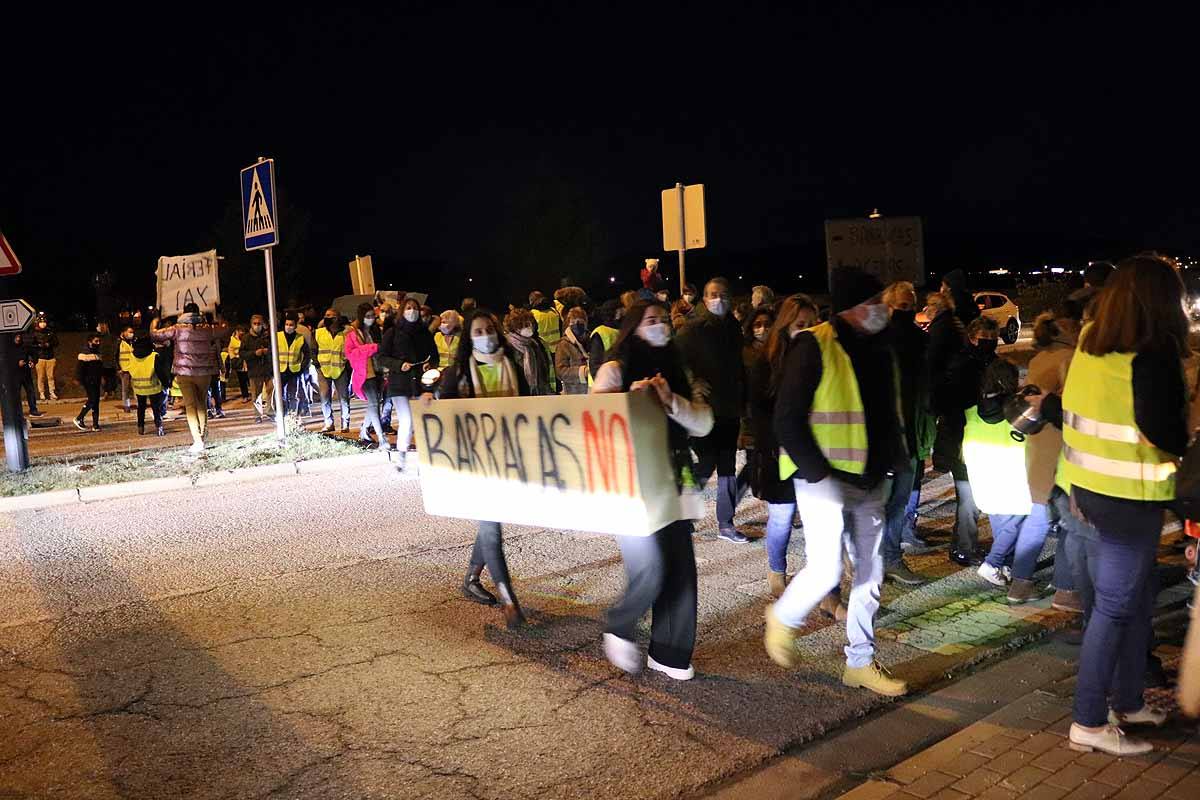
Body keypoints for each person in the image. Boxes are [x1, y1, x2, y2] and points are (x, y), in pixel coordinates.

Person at [1055, 254, 1187, 756]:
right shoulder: (1152, 354)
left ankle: (1129, 702)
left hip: (1088, 491)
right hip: (1131, 498)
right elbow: (1165, 432)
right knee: (1114, 608)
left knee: (1129, 603)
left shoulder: (1090, 345)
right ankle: (1088, 722)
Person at [765, 267, 908, 698]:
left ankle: (860, 664)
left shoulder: (881, 348)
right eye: (878, 302)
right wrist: (819, 475)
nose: (885, 309)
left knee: (870, 575)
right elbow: (786, 420)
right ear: (856, 308)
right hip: (823, 478)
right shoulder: (813, 344)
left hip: (870, 480)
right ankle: (784, 619)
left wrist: (894, 463)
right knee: (826, 568)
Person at [593, 300, 714, 680]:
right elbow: (594, 418)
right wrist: (631, 398)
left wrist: (670, 401)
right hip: (629, 481)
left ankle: (671, 654)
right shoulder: (615, 367)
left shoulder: (680, 369)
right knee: (650, 567)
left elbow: (704, 423)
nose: (660, 325)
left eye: (664, 319)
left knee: (681, 568)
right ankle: (619, 624)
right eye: (650, 320)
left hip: (674, 477)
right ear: (633, 327)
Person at [426, 308, 531, 628]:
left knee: (492, 522)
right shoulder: (458, 373)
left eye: (489, 329)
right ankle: (509, 599)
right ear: (469, 338)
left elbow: (528, 407)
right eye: (478, 331)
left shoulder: (511, 365)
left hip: (508, 459)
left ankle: (471, 579)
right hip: (476, 465)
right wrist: (431, 404)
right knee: (491, 527)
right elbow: (445, 412)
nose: (485, 336)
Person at [748, 295, 821, 598]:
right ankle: (777, 570)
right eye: (800, 325)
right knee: (782, 517)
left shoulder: (821, 357)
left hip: (812, 448)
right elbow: (760, 412)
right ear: (786, 325)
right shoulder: (765, 362)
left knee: (817, 517)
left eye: (812, 325)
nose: (807, 331)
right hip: (778, 452)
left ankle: (820, 574)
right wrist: (774, 446)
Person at [966, 357, 1052, 604]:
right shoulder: (1016, 410)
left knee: (1003, 524)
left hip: (983, 476)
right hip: (1013, 476)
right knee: (1020, 520)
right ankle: (993, 562)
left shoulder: (973, 410)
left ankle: (1004, 568)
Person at [676, 277, 749, 543]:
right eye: (713, 294)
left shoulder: (734, 328)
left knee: (728, 466)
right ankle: (683, 515)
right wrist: (692, 381)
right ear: (705, 299)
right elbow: (676, 361)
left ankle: (726, 524)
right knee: (706, 463)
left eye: (724, 295)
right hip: (703, 411)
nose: (719, 299)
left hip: (729, 407)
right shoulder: (692, 329)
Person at [1026, 304, 1086, 613]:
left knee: (1040, 515)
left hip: (1037, 443)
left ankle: (1021, 581)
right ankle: (1066, 588)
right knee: (1068, 523)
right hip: (1061, 446)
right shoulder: (1070, 360)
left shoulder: (1038, 358)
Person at [881, 281, 932, 586]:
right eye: (901, 306)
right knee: (878, 507)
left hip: (910, 437)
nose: (907, 312)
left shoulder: (918, 342)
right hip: (885, 439)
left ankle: (891, 558)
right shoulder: (877, 343)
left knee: (899, 503)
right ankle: (873, 563)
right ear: (888, 307)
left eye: (911, 306)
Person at [927, 290, 981, 565]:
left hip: (967, 436)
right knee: (968, 495)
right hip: (964, 436)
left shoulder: (960, 363)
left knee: (969, 495)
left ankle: (965, 544)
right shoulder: (963, 366)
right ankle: (963, 546)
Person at [150, 303, 228, 454]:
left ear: (183, 313)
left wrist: (156, 318)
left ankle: (197, 441)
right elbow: (225, 329)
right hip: (204, 373)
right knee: (202, 404)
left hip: (184, 373)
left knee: (190, 406)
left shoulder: (177, 329)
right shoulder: (208, 329)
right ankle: (203, 436)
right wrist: (219, 315)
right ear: (199, 313)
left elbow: (155, 335)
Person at [378, 297, 436, 461]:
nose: (412, 311)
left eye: (415, 307)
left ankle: (426, 455)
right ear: (402, 311)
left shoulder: (424, 333)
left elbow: (434, 355)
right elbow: (382, 357)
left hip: (420, 382)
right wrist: (398, 364)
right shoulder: (393, 332)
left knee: (423, 420)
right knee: (407, 420)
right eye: (408, 307)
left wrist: (429, 364)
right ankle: (402, 455)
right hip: (399, 383)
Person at [737, 306, 774, 502]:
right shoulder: (745, 353)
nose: (763, 329)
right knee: (753, 461)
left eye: (767, 325)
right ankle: (731, 501)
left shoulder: (779, 349)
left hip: (774, 414)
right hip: (752, 415)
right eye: (758, 325)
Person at [344, 303, 389, 450]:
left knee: (375, 404)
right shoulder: (353, 334)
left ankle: (364, 430)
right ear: (361, 316)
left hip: (378, 372)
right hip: (365, 374)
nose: (371, 319)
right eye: (368, 316)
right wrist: (371, 348)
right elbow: (351, 354)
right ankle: (382, 439)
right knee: (374, 404)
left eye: (372, 316)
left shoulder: (375, 331)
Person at [315, 310, 351, 432]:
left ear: (337, 318)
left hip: (340, 369)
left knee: (344, 398)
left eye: (330, 316)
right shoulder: (319, 332)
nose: (326, 318)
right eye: (325, 316)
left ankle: (345, 424)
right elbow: (313, 349)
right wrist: (317, 364)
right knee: (325, 398)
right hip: (323, 370)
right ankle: (328, 423)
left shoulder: (346, 333)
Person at [504, 307, 553, 395]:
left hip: (539, 393)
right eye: (524, 325)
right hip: (521, 395)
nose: (529, 327)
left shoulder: (535, 344)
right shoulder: (508, 347)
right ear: (515, 328)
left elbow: (543, 371)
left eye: (530, 323)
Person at [127, 331, 166, 436]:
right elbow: (160, 372)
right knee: (155, 408)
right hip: (153, 386)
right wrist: (166, 383)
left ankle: (141, 428)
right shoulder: (154, 356)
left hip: (139, 386)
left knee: (141, 407)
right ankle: (159, 427)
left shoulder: (132, 356)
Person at [241, 315, 275, 423]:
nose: (257, 326)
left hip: (268, 369)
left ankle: (271, 412)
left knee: (271, 391)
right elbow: (242, 353)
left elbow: (274, 349)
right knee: (256, 394)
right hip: (254, 370)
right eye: (255, 323)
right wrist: (254, 353)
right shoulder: (246, 338)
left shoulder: (267, 336)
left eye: (259, 323)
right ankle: (257, 415)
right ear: (251, 324)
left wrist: (267, 351)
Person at [276, 312, 310, 417]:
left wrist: (302, 367)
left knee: (293, 395)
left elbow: (307, 354)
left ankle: (292, 416)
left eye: (291, 325)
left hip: (294, 371)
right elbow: (270, 353)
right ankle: (282, 415)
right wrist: (272, 369)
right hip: (280, 371)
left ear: (295, 326)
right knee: (280, 395)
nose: (288, 327)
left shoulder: (300, 338)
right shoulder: (277, 336)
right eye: (287, 324)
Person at [529, 291, 562, 391]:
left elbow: (532, 333)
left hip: (542, 350)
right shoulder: (554, 311)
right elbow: (560, 327)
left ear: (532, 301)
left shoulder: (533, 314)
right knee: (556, 377)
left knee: (545, 375)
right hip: (557, 349)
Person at [555, 306, 590, 395]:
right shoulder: (563, 344)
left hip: (592, 390)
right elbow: (561, 372)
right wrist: (583, 372)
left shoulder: (591, 339)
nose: (577, 325)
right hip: (574, 392)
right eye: (573, 322)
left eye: (580, 322)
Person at [73, 333, 105, 432]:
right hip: (88, 380)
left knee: (96, 402)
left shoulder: (97, 353)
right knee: (92, 399)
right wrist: (78, 379)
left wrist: (103, 377)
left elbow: (99, 368)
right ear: (90, 342)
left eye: (99, 341)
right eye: (96, 341)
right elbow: (80, 368)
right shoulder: (84, 354)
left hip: (96, 380)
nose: (98, 343)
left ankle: (95, 424)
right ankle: (79, 418)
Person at [588, 300, 621, 384]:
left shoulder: (620, 331)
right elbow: (595, 364)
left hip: (612, 383)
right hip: (602, 385)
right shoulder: (600, 332)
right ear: (617, 312)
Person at [12, 333, 42, 417]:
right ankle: (17, 412)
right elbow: (5, 360)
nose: (18, 339)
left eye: (19, 337)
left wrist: (33, 362)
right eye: (16, 337)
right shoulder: (9, 348)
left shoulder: (25, 346)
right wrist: (16, 363)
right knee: (16, 393)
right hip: (14, 374)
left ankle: (33, 410)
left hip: (26, 373)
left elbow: (35, 354)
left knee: (31, 391)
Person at [32, 317, 58, 402]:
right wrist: (39, 345)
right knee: (41, 377)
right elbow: (32, 345)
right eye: (41, 322)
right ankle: (42, 393)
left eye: (44, 322)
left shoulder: (50, 332)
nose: (43, 323)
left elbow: (56, 342)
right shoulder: (34, 333)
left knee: (51, 376)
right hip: (40, 358)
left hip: (50, 357)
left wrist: (49, 344)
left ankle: (52, 392)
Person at [228, 324, 249, 401]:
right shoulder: (233, 340)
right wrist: (234, 358)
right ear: (237, 331)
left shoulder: (246, 338)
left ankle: (254, 395)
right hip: (239, 363)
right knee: (242, 380)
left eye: (243, 331)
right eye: (240, 331)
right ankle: (245, 396)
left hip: (247, 362)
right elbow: (230, 350)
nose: (242, 333)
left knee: (249, 379)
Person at [118, 325, 135, 412]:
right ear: (123, 332)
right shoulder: (119, 343)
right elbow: (115, 356)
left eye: (132, 332)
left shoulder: (133, 342)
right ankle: (126, 406)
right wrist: (118, 368)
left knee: (136, 388)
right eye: (129, 332)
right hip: (124, 370)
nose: (131, 334)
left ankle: (140, 405)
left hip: (134, 369)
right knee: (125, 390)